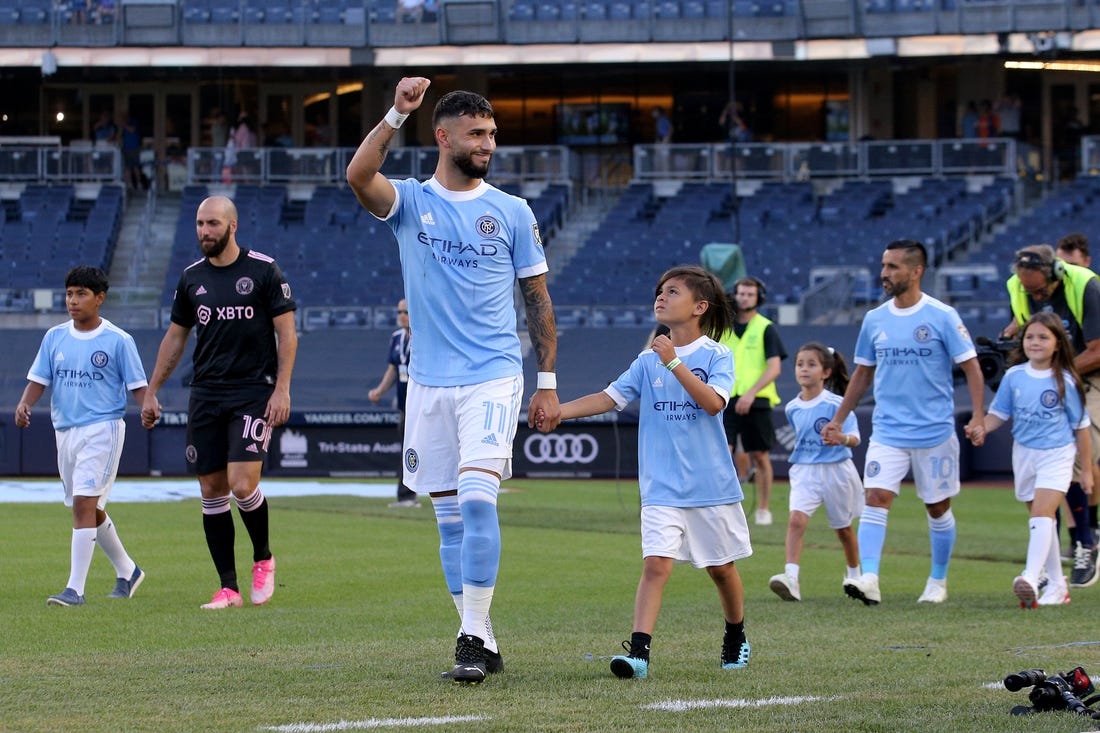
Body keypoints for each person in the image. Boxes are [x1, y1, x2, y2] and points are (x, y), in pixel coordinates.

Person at [345, 77, 561, 684]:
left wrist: (545, 380)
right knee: (446, 519)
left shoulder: (513, 212)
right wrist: (394, 114)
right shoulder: (411, 202)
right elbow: (359, 177)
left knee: (475, 498)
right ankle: (482, 633)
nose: (488, 143)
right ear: (443, 137)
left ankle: (468, 637)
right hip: (429, 384)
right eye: (477, 134)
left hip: (493, 375)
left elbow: (539, 301)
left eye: (492, 134)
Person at [545, 265, 750, 678]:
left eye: (672, 291)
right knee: (656, 565)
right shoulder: (646, 360)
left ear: (700, 306)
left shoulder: (716, 355)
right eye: (660, 290)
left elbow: (713, 404)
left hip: (711, 487)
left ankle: (735, 636)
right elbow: (608, 397)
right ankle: (639, 654)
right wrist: (558, 412)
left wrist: (673, 363)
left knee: (721, 569)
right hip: (660, 487)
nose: (661, 296)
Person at [141, 195, 298, 610]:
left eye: (212, 224)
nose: (204, 232)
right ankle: (227, 588)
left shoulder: (264, 270)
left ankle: (263, 557)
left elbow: (287, 334)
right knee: (211, 490)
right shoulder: (191, 278)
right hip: (206, 393)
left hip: (253, 391)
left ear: (233, 226)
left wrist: (282, 388)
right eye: (199, 224)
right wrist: (152, 390)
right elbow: (175, 338)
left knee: (242, 484)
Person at [823, 240, 985, 605]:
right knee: (876, 497)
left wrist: (978, 415)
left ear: (916, 271)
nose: (884, 273)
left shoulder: (942, 315)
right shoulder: (875, 319)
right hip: (888, 430)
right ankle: (869, 578)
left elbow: (972, 367)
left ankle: (938, 581)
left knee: (937, 507)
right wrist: (838, 419)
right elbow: (863, 374)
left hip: (935, 432)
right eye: (883, 265)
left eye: (893, 266)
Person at [16, 266, 148, 607]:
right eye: (69, 294)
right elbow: (39, 379)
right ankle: (128, 569)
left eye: (81, 294)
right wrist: (24, 403)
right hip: (66, 430)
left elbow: (139, 386)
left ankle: (75, 589)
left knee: (84, 504)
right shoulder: (54, 337)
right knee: (90, 508)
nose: (73, 301)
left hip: (102, 428)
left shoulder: (119, 340)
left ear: (99, 298)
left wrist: (149, 406)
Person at [967, 313, 1090, 608]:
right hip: (1024, 454)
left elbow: (1081, 426)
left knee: (1042, 514)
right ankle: (1058, 585)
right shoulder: (1014, 376)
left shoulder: (1066, 381)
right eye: (1030, 337)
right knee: (1040, 520)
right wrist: (981, 426)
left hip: (1057, 454)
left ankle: (1032, 577)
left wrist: (1086, 469)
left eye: (1043, 337)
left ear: (1058, 344)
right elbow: (1000, 413)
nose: (1035, 342)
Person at [1002, 243, 1100, 588]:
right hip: (1052, 375)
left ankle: (1086, 540)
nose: (1035, 294)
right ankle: (1048, 564)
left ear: (1056, 272)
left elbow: (1099, 349)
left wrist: (1058, 370)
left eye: (1040, 289)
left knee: (1073, 459)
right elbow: (1025, 328)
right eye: (1030, 290)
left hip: (1090, 374)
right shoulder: (1018, 288)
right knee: (1038, 483)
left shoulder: (1085, 285)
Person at [768, 342, 863, 603]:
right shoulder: (791, 408)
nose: (804, 369)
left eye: (811, 364)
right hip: (804, 472)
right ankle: (791, 578)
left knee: (843, 530)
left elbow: (855, 438)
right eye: (800, 364)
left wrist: (842, 438)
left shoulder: (837, 404)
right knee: (796, 520)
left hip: (837, 472)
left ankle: (855, 577)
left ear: (826, 372)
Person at [719, 276, 786, 526]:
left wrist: (750, 393)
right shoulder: (724, 328)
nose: (744, 298)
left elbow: (774, 368)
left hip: (756, 400)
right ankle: (725, 506)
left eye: (750, 294)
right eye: (741, 293)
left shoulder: (765, 327)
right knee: (723, 453)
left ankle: (764, 509)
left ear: (759, 298)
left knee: (760, 455)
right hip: (725, 399)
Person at [368, 298, 418, 508]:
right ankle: (406, 495)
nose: (402, 315)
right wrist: (379, 391)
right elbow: (393, 370)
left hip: (422, 405)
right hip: (405, 406)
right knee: (407, 449)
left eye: (406, 311)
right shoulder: (396, 338)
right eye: (399, 312)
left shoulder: (424, 336)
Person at [118, 111, 143, 191]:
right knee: (127, 168)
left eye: (124, 117)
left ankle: (139, 184)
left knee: (135, 167)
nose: (123, 119)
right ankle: (129, 184)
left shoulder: (133, 122)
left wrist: (124, 125)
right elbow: (120, 136)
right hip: (126, 149)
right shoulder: (123, 126)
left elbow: (132, 130)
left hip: (134, 148)